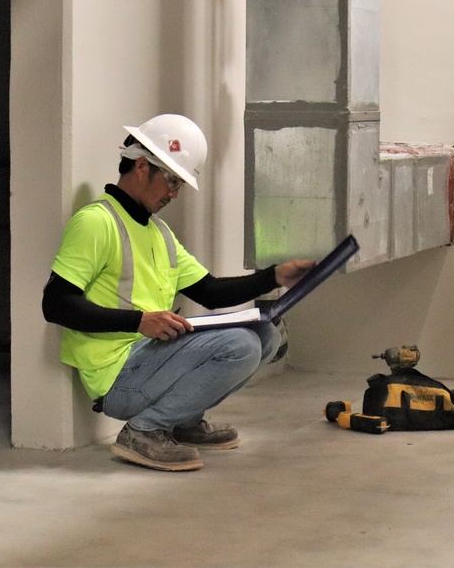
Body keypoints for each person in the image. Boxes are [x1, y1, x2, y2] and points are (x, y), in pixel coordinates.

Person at [42, 114, 315, 472]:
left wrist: (274, 276)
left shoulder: (160, 234)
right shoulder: (96, 222)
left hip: (149, 361)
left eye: (179, 184)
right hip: (118, 377)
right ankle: (144, 430)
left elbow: (211, 291)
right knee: (241, 346)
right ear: (142, 166)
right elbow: (56, 303)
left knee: (266, 334)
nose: (173, 193)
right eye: (171, 180)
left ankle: (181, 419)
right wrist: (140, 321)